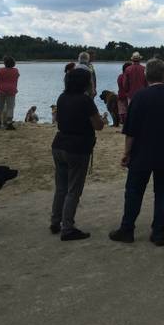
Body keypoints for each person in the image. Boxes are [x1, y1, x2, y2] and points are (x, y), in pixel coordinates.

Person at [109, 59, 164, 247]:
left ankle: (127, 229)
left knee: (134, 191)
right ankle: (159, 232)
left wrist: (126, 152)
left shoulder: (139, 97)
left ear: (146, 75)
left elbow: (131, 131)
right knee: (162, 191)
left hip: (141, 152)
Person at [50, 69, 105, 241]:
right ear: (85, 83)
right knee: (74, 189)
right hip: (78, 148)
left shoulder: (62, 97)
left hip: (59, 144)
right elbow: (98, 125)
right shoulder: (86, 101)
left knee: (61, 187)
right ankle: (67, 227)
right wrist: (101, 120)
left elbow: (59, 119)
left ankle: (55, 220)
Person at [0, 55, 20, 130]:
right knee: (10, 107)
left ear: (5, 63)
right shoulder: (15, 71)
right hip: (11, 90)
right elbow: (17, 77)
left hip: (0, 90)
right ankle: (9, 123)